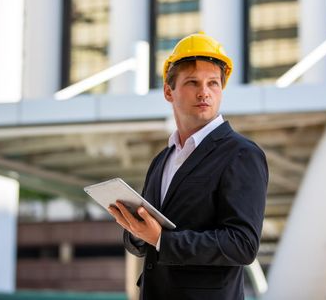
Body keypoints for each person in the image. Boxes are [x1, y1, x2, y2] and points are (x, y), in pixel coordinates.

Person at [108, 32, 268, 300]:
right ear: (169, 91)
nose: (204, 92)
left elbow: (243, 245)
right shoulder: (163, 159)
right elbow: (146, 243)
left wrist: (161, 239)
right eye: (193, 82)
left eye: (213, 83)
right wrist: (136, 232)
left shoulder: (241, 154)